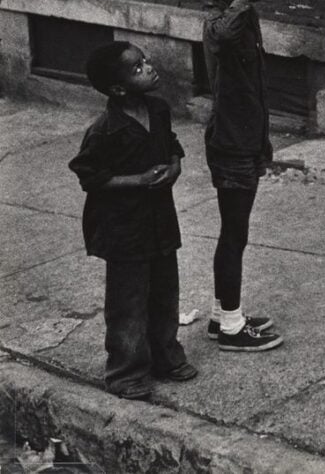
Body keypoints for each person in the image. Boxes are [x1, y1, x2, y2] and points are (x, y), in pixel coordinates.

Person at [69, 42, 197, 400]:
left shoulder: (158, 110)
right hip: (122, 228)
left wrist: (174, 167)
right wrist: (138, 181)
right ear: (119, 89)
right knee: (128, 303)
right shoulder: (105, 129)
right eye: (139, 67)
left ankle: (166, 357)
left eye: (146, 61)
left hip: (160, 222)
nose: (150, 67)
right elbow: (90, 177)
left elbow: (172, 145)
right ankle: (125, 372)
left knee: (164, 293)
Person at [201, 0, 283, 353]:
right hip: (230, 143)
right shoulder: (219, 20)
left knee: (236, 233)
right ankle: (232, 329)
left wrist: (263, 143)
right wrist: (243, 0)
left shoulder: (244, 17)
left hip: (246, 141)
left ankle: (222, 316)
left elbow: (255, 91)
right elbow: (220, 37)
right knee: (234, 234)